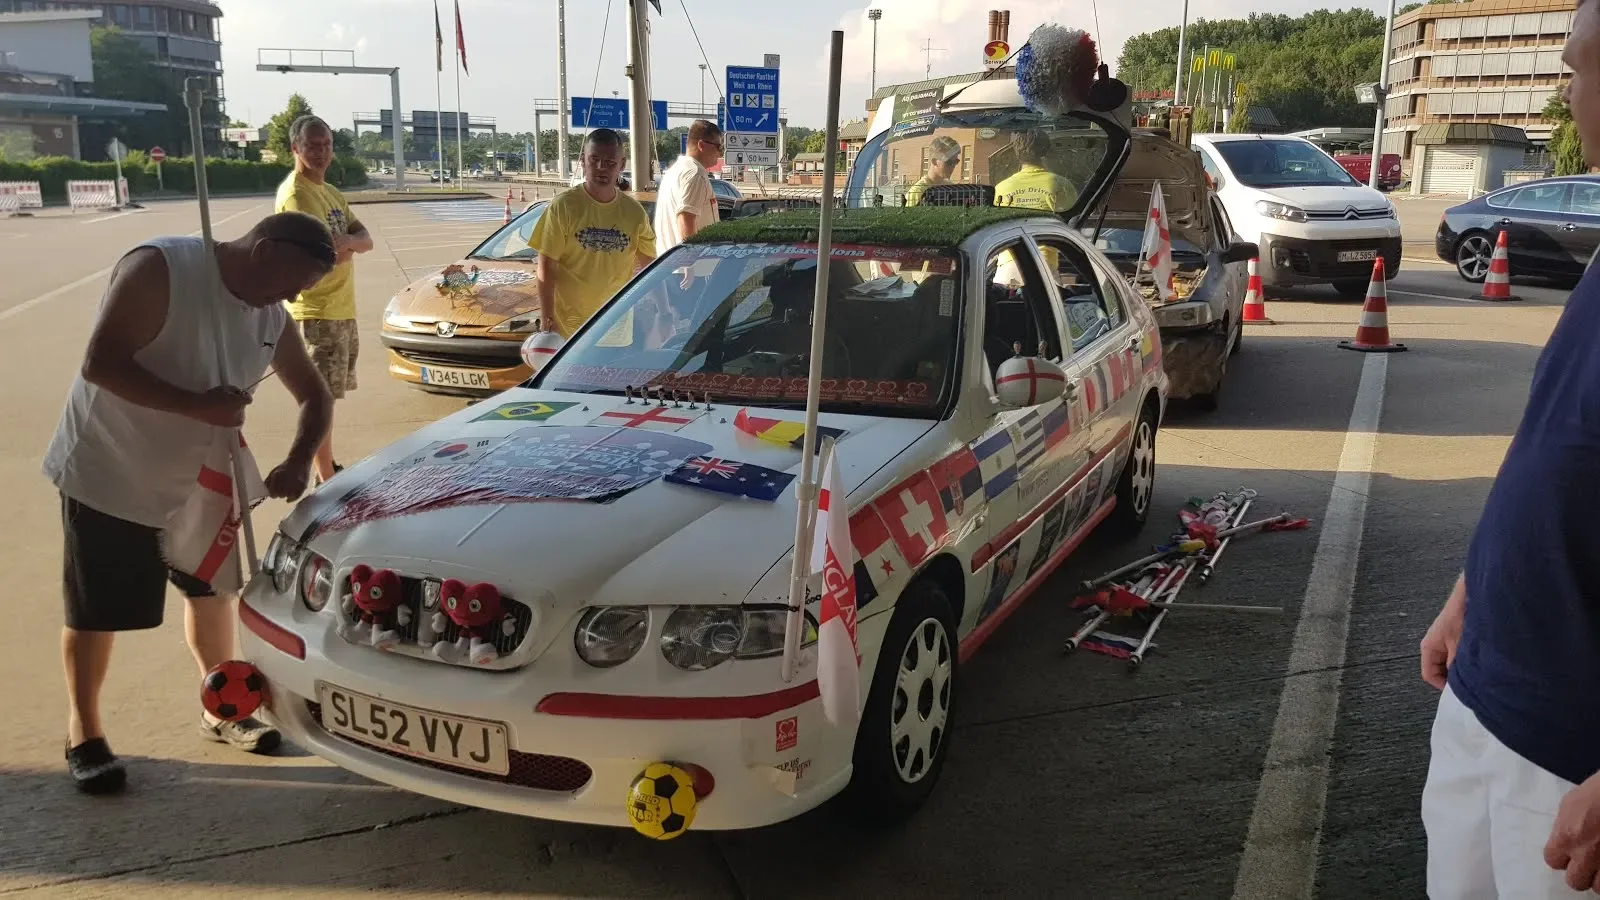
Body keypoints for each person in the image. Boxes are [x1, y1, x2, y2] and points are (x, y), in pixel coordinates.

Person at [42, 211, 338, 794]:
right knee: (96, 607)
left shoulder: (271, 315)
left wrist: (299, 459)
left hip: (202, 479)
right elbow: (100, 363)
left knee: (210, 591)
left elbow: (315, 396)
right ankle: (85, 732)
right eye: (290, 283)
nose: (288, 299)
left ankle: (220, 705)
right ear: (263, 250)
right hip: (112, 467)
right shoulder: (162, 268)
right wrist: (197, 406)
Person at [1420, 1, 1600, 893]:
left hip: (1572, 765)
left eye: (1576, 67)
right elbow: (1552, 448)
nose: (1565, 93)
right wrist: (1469, 597)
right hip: (1486, 694)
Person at [275, 114, 373, 484]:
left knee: (329, 397)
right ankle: (324, 476)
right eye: (312, 145)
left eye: (326, 145)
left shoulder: (328, 192)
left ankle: (326, 470)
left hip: (339, 309)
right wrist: (347, 244)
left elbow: (364, 238)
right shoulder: (298, 194)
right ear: (295, 148)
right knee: (318, 398)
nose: (321, 152)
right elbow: (323, 255)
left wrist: (347, 242)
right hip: (316, 310)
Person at [529, 128, 657, 338]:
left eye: (610, 162)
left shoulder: (634, 213)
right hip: (568, 329)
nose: (601, 168)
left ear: (622, 165)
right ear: (582, 161)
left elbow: (649, 265)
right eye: (594, 159)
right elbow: (546, 265)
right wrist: (547, 317)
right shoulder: (563, 207)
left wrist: (663, 310)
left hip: (615, 326)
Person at [654, 119, 722, 253]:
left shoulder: (674, 171)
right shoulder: (696, 174)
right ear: (701, 145)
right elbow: (685, 218)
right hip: (691, 269)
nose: (720, 153)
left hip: (668, 264)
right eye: (718, 146)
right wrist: (689, 266)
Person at [994, 129, 1076, 212]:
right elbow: (1072, 218)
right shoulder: (1062, 185)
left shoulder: (1000, 189)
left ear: (1016, 154)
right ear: (1047, 152)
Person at [906, 136, 963, 206]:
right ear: (934, 162)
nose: (953, 165)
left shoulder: (950, 187)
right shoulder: (917, 192)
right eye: (949, 162)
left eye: (956, 161)